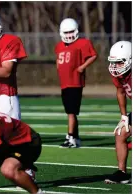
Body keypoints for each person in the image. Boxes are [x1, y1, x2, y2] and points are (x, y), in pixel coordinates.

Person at [54, 18, 97, 148]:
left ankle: (71, 137)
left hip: (75, 82)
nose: (69, 35)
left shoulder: (82, 43)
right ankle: (76, 138)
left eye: (71, 32)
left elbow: (93, 55)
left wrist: (82, 67)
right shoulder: (59, 46)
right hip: (65, 83)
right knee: (70, 112)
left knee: (71, 113)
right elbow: (58, 60)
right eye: (66, 32)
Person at [104, 41, 131, 184]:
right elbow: (120, 92)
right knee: (120, 133)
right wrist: (124, 116)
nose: (115, 67)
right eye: (113, 62)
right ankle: (122, 173)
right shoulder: (119, 75)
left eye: (119, 63)